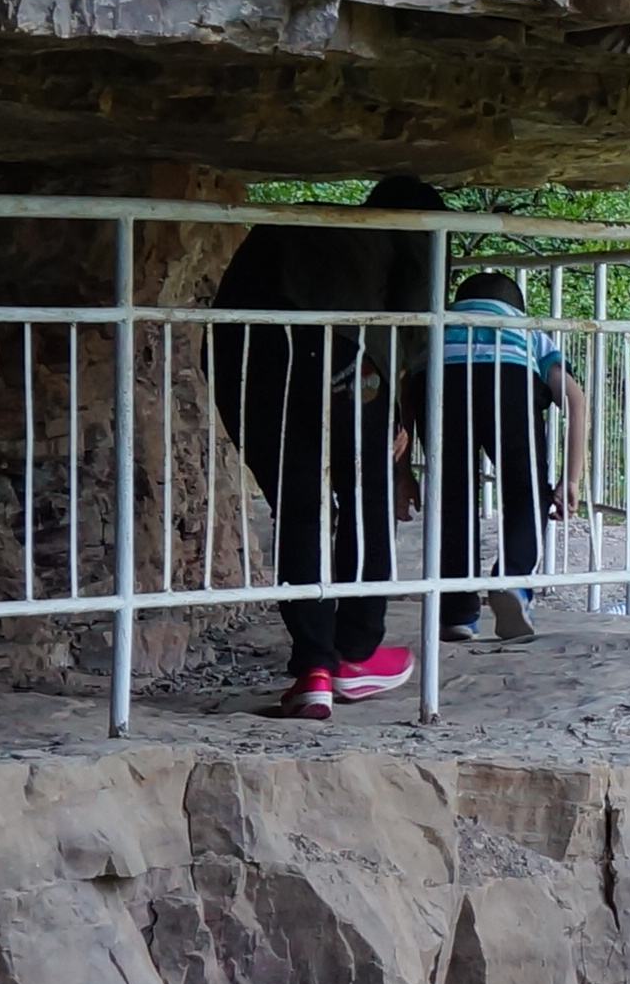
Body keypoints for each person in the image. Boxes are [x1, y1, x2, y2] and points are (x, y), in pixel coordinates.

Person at [213, 174, 447, 719]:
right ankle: (356, 653)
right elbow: (413, 327)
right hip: (344, 356)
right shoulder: (407, 237)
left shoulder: (313, 231)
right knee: (369, 496)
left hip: (249, 356)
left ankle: (313, 668)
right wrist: (394, 423)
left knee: (299, 506)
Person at [431, 269, 588, 642]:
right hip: (510, 380)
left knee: (454, 500)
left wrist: (402, 468)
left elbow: (407, 382)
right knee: (527, 491)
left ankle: (457, 611)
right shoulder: (528, 331)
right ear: (516, 307)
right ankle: (513, 580)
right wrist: (572, 478)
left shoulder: (439, 327)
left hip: (442, 385)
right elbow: (575, 400)